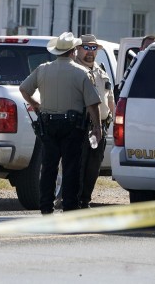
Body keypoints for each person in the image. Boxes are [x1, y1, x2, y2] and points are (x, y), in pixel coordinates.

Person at [19, 32, 101, 214]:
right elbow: (93, 104)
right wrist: (97, 127)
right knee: (71, 167)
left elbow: (23, 89)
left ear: (56, 52)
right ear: (73, 51)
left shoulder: (42, 69)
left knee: (48, 167)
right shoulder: (82, 73)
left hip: (48, 125)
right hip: (73, 127)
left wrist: (35, 104)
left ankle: (46, 206)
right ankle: (70, 206)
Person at [75, 34, 117, 208]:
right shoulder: (74, 70)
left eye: (94, 48)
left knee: (94, 165)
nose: (90, 52)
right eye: (86, 47)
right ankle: (72, 199)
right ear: (77, 49)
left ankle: (85, 199)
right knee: (78, 164)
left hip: (100, 126)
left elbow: (109, 98)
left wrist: (113, 120)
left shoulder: (101, 70)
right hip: (80, 125)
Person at [115, 34, 155, 100]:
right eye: (147, 48)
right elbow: (122, 88)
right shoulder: (134, 69)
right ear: (141, 49)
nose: (150, 51)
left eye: (153, 48)